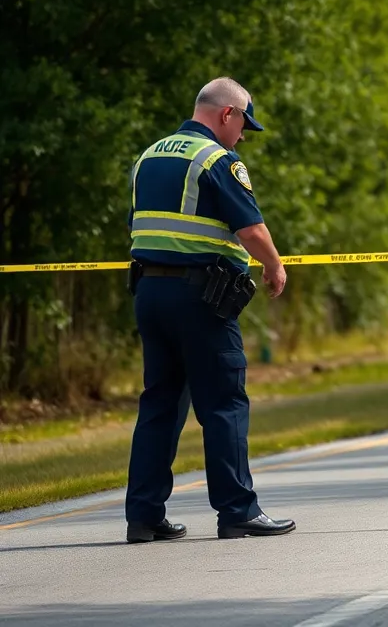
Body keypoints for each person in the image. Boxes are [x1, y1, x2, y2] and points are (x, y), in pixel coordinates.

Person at [123, 77, 295, 542]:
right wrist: (275, 267)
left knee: (160, 403)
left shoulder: (150, 155)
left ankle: (143, 516)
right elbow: (251, 228)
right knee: (223, 405)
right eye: (243, 125)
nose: (242, 136)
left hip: (150, 294)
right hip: (200, 298)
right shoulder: (217, 159)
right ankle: (238, 511)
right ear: (226, 114)